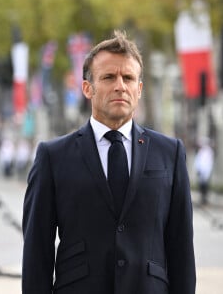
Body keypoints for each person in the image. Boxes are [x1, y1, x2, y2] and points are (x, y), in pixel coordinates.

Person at [22, 30, 195, 293]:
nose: (120, 86)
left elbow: (181, 247)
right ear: (87, 88)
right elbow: (37, 252)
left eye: (128, 78)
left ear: (139, 89)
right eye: (108, 77)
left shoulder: (169, 152)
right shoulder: (53, 156)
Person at [194, 136, 214, 205]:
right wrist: (198, 169)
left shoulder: (208, 151)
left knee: (205, 186)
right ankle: (202, 199)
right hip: (201, 171)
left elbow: (208, 163)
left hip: (205, 172)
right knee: (201, 186)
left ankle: (204, 199)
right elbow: (198, 162)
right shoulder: (201, 151)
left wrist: (206, 172)